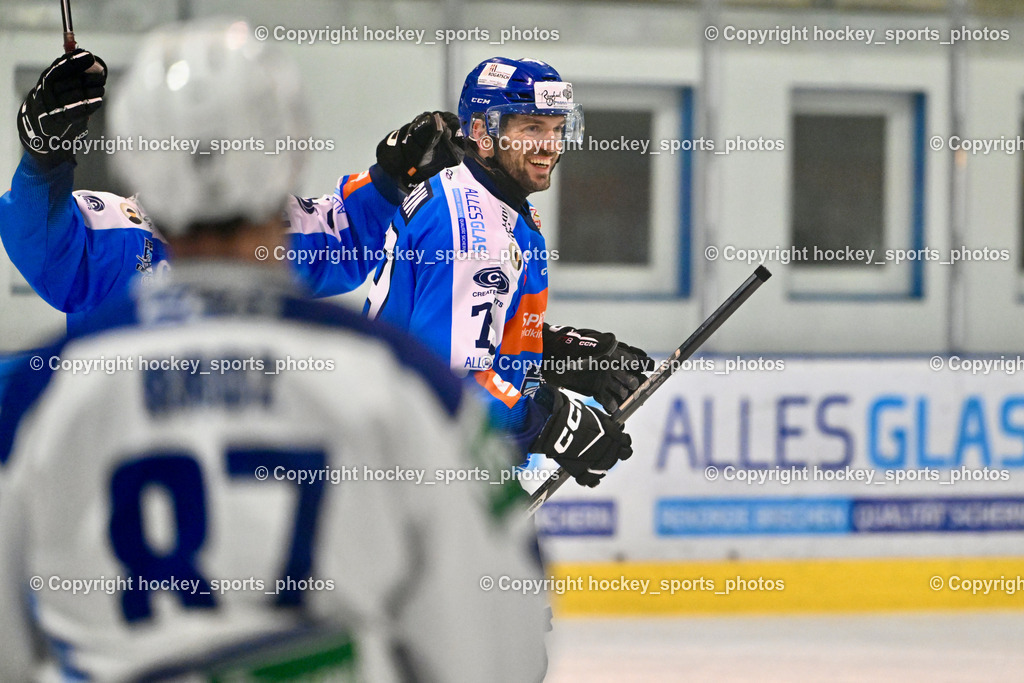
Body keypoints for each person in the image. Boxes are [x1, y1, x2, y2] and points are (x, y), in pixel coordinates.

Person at [0, 22, 547, 682]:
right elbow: (500, 640)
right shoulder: (389, 382)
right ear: (287, 157)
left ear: (134, 157)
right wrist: (387, 179)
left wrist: (43, 159)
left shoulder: (46, 393)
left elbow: (44, 245)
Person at [2, 43, 462, 336]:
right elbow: (43, 242)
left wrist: (391, 177)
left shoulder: (114, 238)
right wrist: (43, 158)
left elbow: (344, 236)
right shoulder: (117, 234)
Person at [365, 57, 654, 488]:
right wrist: (552, 424)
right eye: (532, 129)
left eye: (557, 129)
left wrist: (563, 355)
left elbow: (470, 334)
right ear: (483, 133)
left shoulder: (489, 201)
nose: (550, 146)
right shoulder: (475, 232)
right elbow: (447, 383)